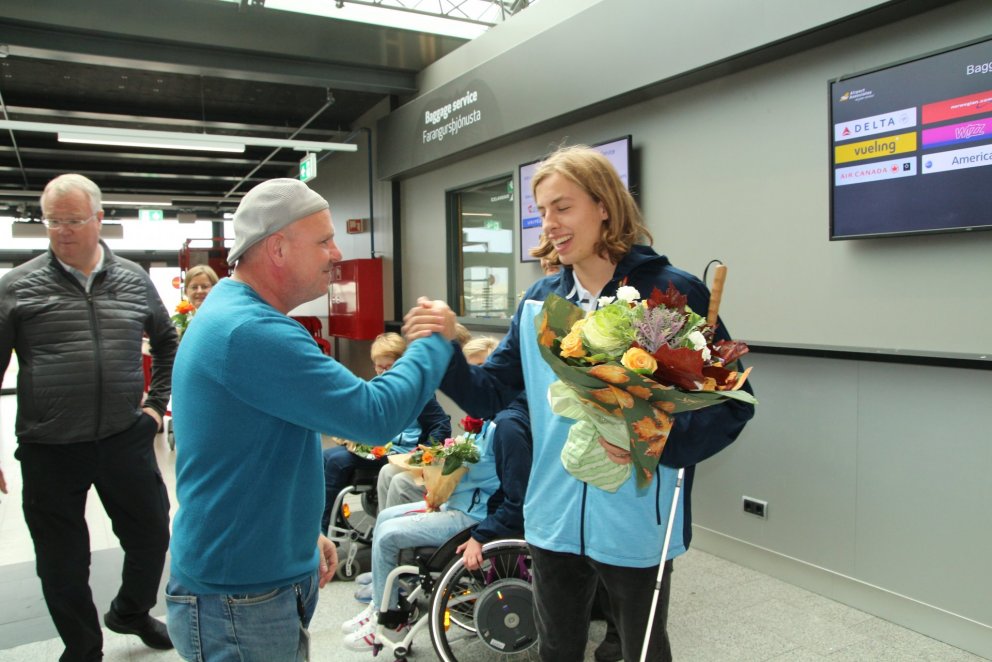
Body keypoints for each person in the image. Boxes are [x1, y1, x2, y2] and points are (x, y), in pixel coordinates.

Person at [403, 145, 755, 662]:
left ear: (604, 206)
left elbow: (732, 403)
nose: (550, 224)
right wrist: (444, 346)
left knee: (639, 653)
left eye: (563, 207)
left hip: (639, 518)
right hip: (552, 519)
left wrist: (653, 440)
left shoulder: (672, 293)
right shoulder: (540, 303)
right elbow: (493, 392)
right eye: (542, 211)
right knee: (557, 651)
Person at [167, 178, 456, 662]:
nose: (336, 252)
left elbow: (256, 449)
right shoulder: (251, 331)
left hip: (255, 577)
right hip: (240, 597)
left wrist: (303, 532)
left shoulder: (236, 315)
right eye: (323, 240)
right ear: (277, 247)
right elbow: (373, 415)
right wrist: (430, 341)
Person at [0, 173, 177, 661]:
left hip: (124, 437)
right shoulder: (17, 286)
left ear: (99, 220)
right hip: (49, 447)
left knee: (151, 533)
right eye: (52, 221)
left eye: (73, 220)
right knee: (62, 561)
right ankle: (82, 647)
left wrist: (153, 407)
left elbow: (166, 343)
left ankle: (131, 611)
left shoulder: (134, 279)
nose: (62, 231)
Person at [342, 338, 533, 652]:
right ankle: (380, 604)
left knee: (389, 534)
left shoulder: (507, 428)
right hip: (462, 503)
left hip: (474, 517)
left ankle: (389, 618)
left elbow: (516, 499)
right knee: (386, 519)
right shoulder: (486, 421)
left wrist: (482, 536)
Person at [322, 332, 451, 534]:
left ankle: (323, 526)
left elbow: (441, 424)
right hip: (377, 446)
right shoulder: (376, 385)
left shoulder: (415, 391)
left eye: (387, 367)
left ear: (401, 364)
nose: (382, 372)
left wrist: (423, 454)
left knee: (337, 463)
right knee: (324, 457)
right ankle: (332, 519)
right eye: (378, 366)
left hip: (399, 452)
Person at [374, 334, 500, 513]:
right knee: (387, 474)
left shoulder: (502, 421)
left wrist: (428, 454)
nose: (476, 377)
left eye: (481, 367)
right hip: (456, 480)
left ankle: (404, 534)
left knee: (399, 486)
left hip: (468, 499)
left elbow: (440, 424)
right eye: (380, 367)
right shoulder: (479, 414)